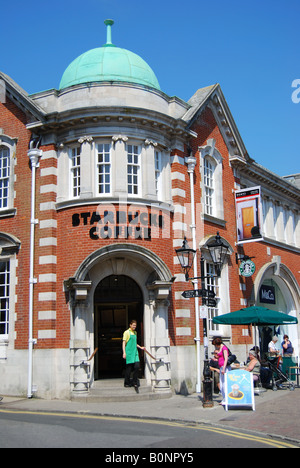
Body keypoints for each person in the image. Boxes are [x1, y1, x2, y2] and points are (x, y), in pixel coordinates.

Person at [122, 320, 145, 393]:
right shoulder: (126, 332)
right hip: (129, 353)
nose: (134, 327)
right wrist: (124, 353)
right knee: (128, 369)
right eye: (133, 325)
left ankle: (135, 382)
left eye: (135, 325)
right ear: (130, 325)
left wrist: (140, 347)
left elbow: (135, 343)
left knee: (137, 367)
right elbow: (123, 343)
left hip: (135, 353)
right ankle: (127, 382)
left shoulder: (135, 333)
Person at [213, 337, 231, 404]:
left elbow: (226, 358)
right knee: (222, 383)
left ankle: (227, 399)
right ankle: (224, 398)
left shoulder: (224, 348)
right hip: (221, 367)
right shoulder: (220, 348)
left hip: (224, 367)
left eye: (215, 344)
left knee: (225, 383)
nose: (215, 346)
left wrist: (224, 368)